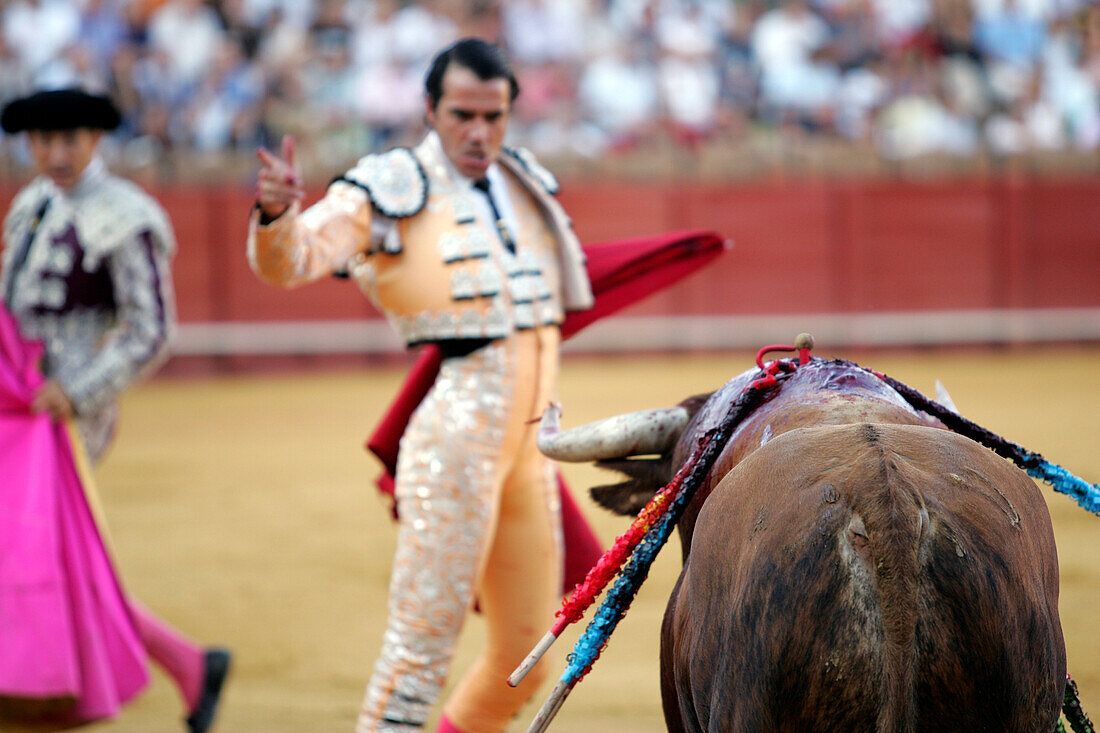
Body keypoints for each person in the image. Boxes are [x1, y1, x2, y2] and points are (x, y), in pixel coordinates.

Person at [250, 38, 595, 733]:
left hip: (530, 455)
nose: (480, 132)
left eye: (493, 116)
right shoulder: (389, 185)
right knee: (417, 659)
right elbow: (293, 262)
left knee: (525, 656)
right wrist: (275, 216)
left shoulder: (523, 178)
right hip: (453, 449)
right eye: (463, 114)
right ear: (431, 110)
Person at [0, 87, 230, 733]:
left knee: (34, 554)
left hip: (70, 412)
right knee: (40, 555)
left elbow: (150, 329)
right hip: (15, 407)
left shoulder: (126, 214)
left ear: (95, 139)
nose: (55, 152)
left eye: (68, 138)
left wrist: (78, 392)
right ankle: (187, 661)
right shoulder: (31, 205)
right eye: (42, 140)